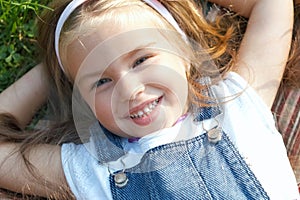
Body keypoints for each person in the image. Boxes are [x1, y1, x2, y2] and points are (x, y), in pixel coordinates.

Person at [0, 0, 298, 199]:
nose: (129, 90)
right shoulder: (93, 169)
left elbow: (271, 5)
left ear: (183, 50)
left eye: (141, 60)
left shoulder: (237, 104)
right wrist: (50, 71)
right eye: (101, 81)